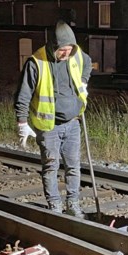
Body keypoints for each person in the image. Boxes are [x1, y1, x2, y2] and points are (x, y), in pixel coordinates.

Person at [15, 20, 92, 218]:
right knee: (51, 166)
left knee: (73, 166)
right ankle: (55, 205)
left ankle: (73, 203)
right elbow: (23, 95)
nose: (66, 54)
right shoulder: (36, 62)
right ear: (53, 46)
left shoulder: (75, 55)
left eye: (69, 49)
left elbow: (88, 62)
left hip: (73, 122)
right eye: (62, 50)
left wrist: (83, 82)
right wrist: (22, 123)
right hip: (48, 126)